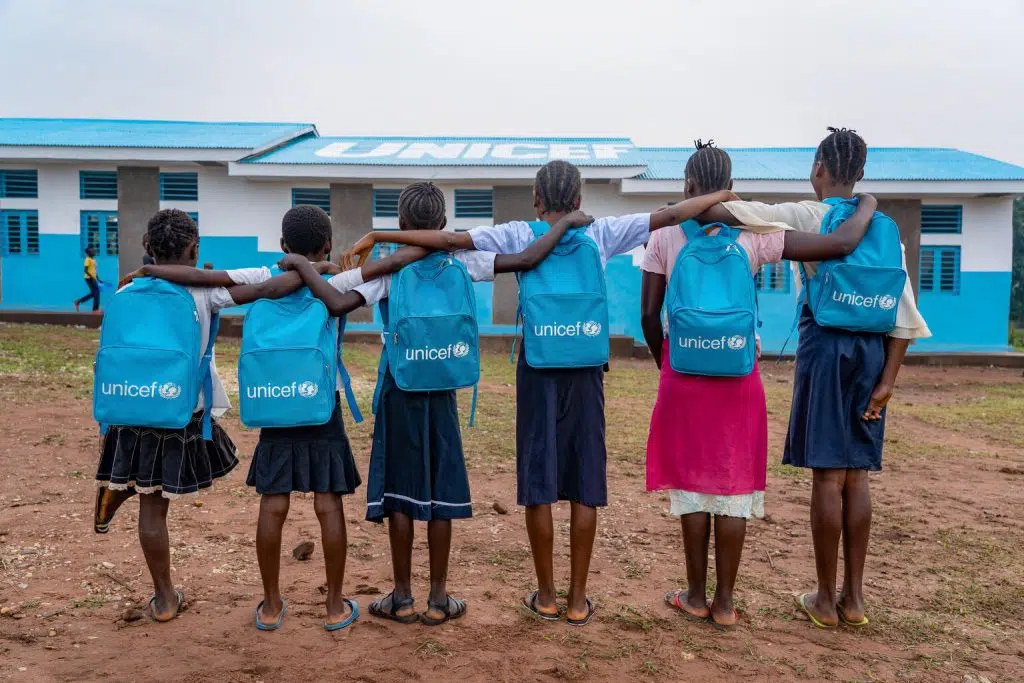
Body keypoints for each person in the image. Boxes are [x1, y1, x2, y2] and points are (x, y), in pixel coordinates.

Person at [342, 161, 734, 626]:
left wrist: (380, 238)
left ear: (535, 199)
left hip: (536, 367)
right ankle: (577, 600)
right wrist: (718, 196)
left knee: (539, 481)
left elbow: (449, 242)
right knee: (586, 481)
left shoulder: (515, 233)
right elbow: (670, 215)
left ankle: (545, 595)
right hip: (586, 369)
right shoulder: (601, 233)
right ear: (580, 199)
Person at [288, 181, 592, 626]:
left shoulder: (390, 271)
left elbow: (335, 301)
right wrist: (564, 222)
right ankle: (439, 597)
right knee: (438, 493)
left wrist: (303, 264)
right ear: (444, 226)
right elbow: (528, 259)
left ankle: (402, 596)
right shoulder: (464, 262)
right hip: (444, 391)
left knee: (400, 493)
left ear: (402, 226)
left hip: (400, 390)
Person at [116, 205, 428, 631]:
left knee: (274, 500)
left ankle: (270, 606)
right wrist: (320, 266)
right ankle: (335, 607)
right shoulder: (337, 280)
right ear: (327, 246)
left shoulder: (251, 276)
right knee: (328, 500)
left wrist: (150, 271)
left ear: (282, 246)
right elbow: (387, 267)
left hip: (272, 400)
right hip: (320, 403)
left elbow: (218, 281)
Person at [696, 128, 931, 628]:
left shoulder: (811, 215)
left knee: (828, 474)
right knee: (857, 474)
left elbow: (732, 215)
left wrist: (712, 198)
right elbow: (902, 312)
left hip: (826, 348)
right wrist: (888, 380)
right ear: (861, 173)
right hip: (874, 354)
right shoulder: (885, 229)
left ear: (819, 169)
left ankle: (824, 599)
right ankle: (855, 599)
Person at [641, 141, 879, 627]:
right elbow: (839, 246)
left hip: (683, 374)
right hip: (738, 376)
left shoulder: (665, 235)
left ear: (686, 187)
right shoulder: (754, 234)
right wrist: (868, 205)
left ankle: (694, 594)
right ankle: (725, 604)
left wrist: (665, 360)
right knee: (733, 484)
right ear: (732, 190)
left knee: (690, 483)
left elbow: (648, 313)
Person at [93, 209, 329, 623]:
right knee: (176, 483)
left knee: (152, 506)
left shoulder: (123, 294)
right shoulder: (206, 293)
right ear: (194, 249)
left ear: (147, 248)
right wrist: (314, 268)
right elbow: (274, 286)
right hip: (180, 410)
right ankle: (124, 486)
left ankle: (164, 597)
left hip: (130, 409)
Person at [74, 246, 103, 312]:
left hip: (93, 278)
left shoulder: (93, 260)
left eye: (94, 251)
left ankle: (78, 301)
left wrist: (98, 279)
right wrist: (93, 278)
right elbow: (86, 270)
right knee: (96, 293)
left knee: (94, 293)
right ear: (89, 253)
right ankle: (95, 309)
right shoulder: (87, 259)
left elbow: (94, 270)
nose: (94, 252)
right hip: (89, 278)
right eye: (92, 251)